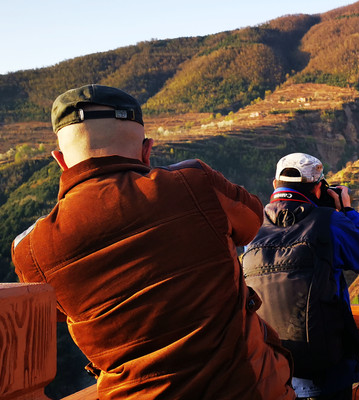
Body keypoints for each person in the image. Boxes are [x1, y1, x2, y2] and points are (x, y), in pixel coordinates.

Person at [11, 84, 295, 400]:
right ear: (147, 150)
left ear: (60, 160)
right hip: (250, 390)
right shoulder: (195, 183)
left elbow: (59, 312)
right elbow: (252, 223)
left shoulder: (31, 250)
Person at [241, 153, 359, 399]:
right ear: (318, 189)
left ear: (275, 185)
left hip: (271, 373)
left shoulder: (253, 228)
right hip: (326, 375)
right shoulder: (329, 222)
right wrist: (346, 210)